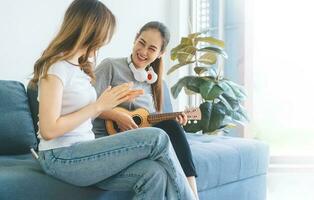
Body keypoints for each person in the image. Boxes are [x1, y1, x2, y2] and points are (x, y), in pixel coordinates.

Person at [29, 1, 196, 199]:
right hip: (60, 156)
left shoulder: (79, 68)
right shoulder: (56, 67)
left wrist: (106, 103)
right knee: (157, 138)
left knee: (154, 174)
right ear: (90, 32)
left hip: (83, 150)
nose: (104, 42)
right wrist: (99, 106)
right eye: (103, 36)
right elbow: (49, 130)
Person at [93, 21, 199, 199]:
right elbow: (88, 106)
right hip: (106, 140)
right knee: (171, 130)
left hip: (138, 142)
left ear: (160, 54)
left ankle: (192, 194)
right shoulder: (110, 66)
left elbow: (147, 121)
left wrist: (174, 118)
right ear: (135, 39)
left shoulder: (154, 83)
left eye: (152, 48)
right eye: (141, 43)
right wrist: (117, 115)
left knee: (171, 127)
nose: (143, 52)